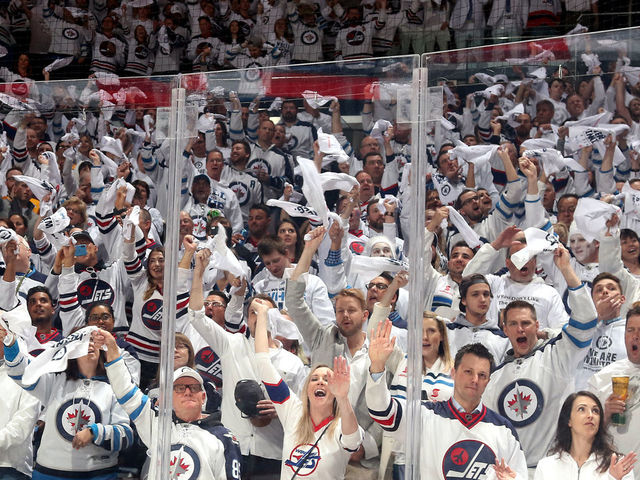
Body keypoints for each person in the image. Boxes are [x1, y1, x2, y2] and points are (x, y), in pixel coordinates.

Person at [482, 245, 599, 474]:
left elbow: (586, 321)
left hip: (555, 470)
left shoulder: (557, 355)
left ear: (537, 326)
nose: (520, 329)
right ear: (504, 329)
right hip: (509, 473)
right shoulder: (495, 377)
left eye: (526, 323)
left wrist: (566, 270)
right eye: (513, 324)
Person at [367, 336, 528, 479]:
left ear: (488, 381)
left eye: (482, 375)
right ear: (453, 373)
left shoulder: (504, 430)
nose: (474, 379)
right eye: (468, 371)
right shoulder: (424, 415)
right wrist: (377, 366)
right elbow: (382, 411)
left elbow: (519, 474)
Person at [98, 328, 243, 479]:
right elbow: (125, 390)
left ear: (204, 396)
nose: (187, 392)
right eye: (180, 388)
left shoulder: (224, 437)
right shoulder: (156, 426)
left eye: (194, 387)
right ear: (169, 398)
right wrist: (112, 349)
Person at [1, 325, 133, 479]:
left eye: (92, 340)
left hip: (99, 475)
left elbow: (126, 436)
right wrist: (10, 342)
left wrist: (95, 432)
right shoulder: (54, 382)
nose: (89, 344)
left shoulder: (115, 388)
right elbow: (22, 373)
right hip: (48, 474)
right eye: (83, 341)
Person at [253, 297, 364, 479]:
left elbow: (353, 443)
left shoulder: (341, 425)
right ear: (306, 388)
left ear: (336, 391)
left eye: (327, 379)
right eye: (314, 378)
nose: (320, 382)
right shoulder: (292, 411)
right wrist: (263, 315)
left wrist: (344, 398)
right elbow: (263, 363)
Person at [588, 305, 640, 478]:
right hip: (614, 473)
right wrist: (606, 413)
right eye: (630, 330)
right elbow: (580, 435)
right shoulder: (602, 378)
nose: (635, 336)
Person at [535, 392, 636, 479]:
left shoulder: (617, 463)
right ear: (568, 420)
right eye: (581, 409)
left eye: (595, 411)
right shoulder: (546, 466)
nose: (590, 415)